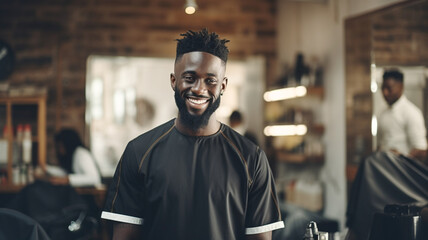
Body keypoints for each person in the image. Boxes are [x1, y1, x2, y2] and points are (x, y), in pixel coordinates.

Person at [101, 29, 284, 240]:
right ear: (173, 80)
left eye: (210, 80)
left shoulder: (252, 159)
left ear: (223, 86)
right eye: (190, 78)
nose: (199, 89)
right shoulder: (138, 153)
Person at [377, 69, 427, 162]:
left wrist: (400, 157)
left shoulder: (412, 113)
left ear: (401, 87)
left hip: (402, 172)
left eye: (389, 88)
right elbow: (380, 145)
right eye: (383, 88)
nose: (385, 93)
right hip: (384, 169)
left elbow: (421, 150)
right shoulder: (383, 113)